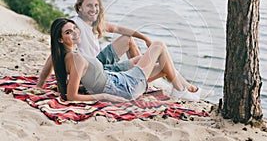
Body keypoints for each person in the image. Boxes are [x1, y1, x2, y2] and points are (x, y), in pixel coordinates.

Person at [37, 0, 198, 93]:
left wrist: (144, 37)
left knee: (129, 41)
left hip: (99, 64)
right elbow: (55, 54)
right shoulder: (75, 25)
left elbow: (119, 29)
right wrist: (40, 84)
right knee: (155, 56)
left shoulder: (92, 23)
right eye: (89, 6)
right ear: (79, 8)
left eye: (96, 5)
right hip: (96, 68)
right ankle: (181, 86)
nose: (94, 9)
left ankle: (178, 84)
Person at [50, 18, 201, 102]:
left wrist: (86, 87)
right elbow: (71, 96)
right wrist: (104, 96)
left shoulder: (67, 57)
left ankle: (185, 88)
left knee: (164, 66)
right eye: (68, 32)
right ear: (60, 40)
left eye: (74, 28)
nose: (75, 33)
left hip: (119, 82)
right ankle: (181, 91)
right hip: (123, 87)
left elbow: (75, 84)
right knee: (159, 45)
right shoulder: (75, 58)